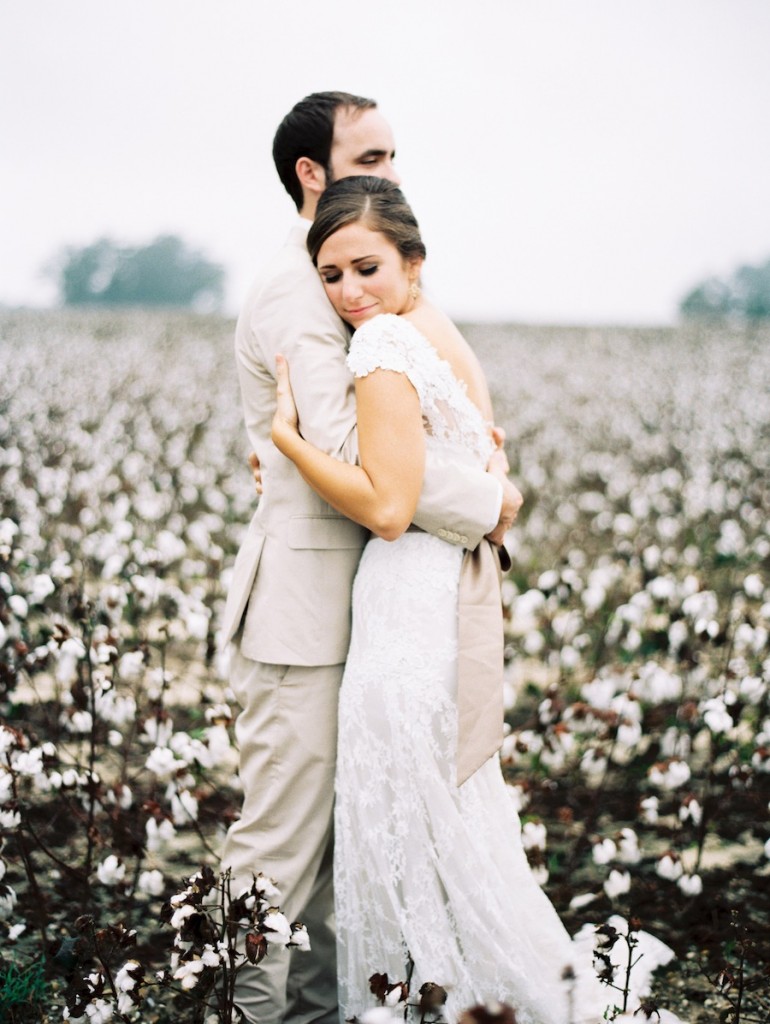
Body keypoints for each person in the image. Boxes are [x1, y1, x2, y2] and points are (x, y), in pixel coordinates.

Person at [270, 177, 684, 1024]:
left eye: (367, 267)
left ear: (412, 262)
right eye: (331, 276)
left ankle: (436, 997)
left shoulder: (381, 348)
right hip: (437, 599)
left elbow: (387, 508)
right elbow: (485, 457)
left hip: (406, 603)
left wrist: (288, 442)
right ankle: (464, 990)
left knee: (408, 801)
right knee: (443, 807)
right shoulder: (432, 340)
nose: (350, 293)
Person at [218, 92, 522, 1024]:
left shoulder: (348, 278)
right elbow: (360, 459)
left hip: (370, 607)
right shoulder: (296, 290)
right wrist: (492, 498)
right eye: (373, 159)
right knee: (281, 856)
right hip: (304, 615)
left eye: (394, 157)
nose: (392, 174)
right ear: (314, 174)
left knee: (344, 855)